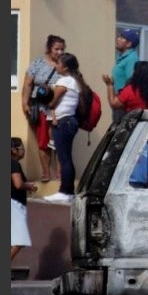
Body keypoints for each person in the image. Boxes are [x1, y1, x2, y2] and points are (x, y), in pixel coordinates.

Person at [43, 53, 88, 203]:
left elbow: (52, 102)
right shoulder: (75, 81)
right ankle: (68, 192)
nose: (56, 66)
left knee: (64, 158)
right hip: (69, 122)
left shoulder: (65, 81)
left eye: (58, 63)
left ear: (66, 67)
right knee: (66, 157)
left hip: (63, 122)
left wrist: (45, 97)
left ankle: (64, 192)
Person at [21, 34, 64, 182]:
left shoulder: (65, 64)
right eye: (56, 49)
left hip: (61, 109)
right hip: (41, 108)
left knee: (59, 141)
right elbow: (28, 83)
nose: (59, 52)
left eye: (62, 49)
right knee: (43, 141)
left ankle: (59, 173)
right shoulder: (38, 63)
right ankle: (46, 173)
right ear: (49, 48)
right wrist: (25, 102)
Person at [11, 137, 37, 261]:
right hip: (14, 205)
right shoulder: (13, 163)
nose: (24, 151)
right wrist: (30, 186)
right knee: (20, 239)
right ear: (13, 150)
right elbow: (18, 184)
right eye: (21, 148)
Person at [111, 29, 140, 123]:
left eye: (122, 38)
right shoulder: (122, 57)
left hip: (124, 105)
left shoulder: (131, 59)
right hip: (119, 101)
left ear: (129, 44)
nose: (118, 39)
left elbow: (131, 82)